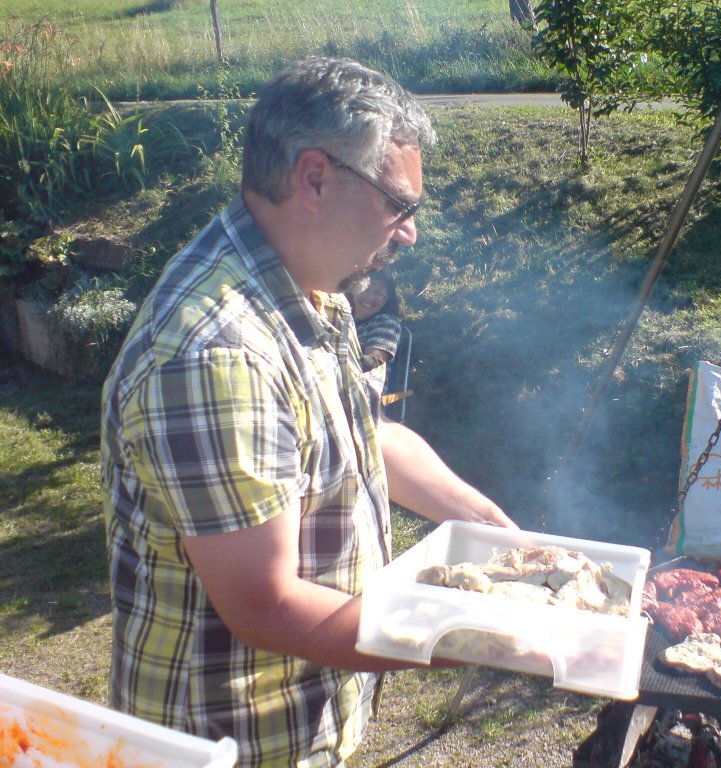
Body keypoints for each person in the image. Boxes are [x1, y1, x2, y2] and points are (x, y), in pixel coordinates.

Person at [100, 56, 516, 768]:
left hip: (301, 716)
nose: (409, 232)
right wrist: (490, 633)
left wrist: (499, 535)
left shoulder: (304, 282)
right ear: (315, 178)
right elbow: (267, 606)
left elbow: (363, 431)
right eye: (399, 204)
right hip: (236, 742)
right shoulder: (217, 356)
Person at [346, 267, 402, 375]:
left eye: (378, 293)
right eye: (365, 289)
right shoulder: (339, 315)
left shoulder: (388, 324)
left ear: (387, 298)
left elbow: (370, 367)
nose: (370, 297)